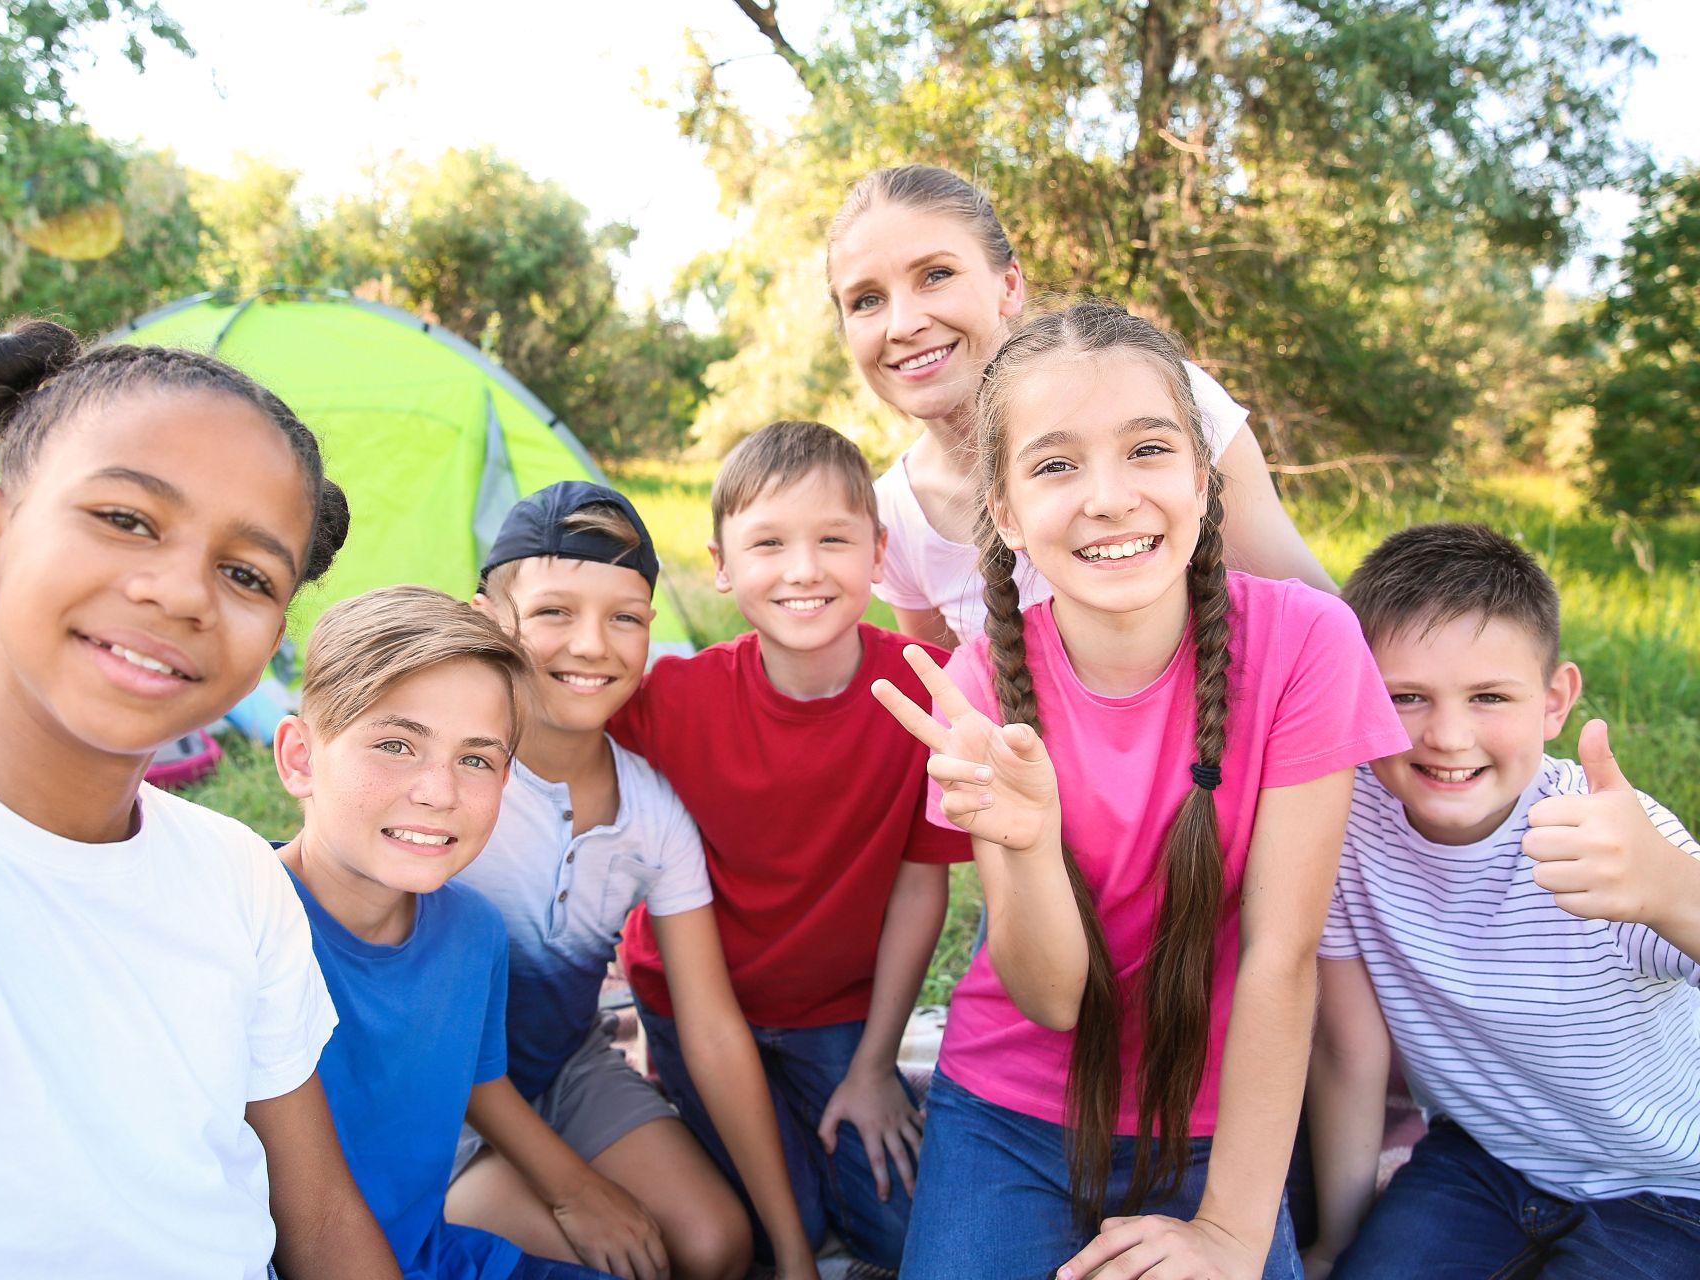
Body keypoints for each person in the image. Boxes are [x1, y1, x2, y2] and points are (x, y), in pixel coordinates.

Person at [0, 319, 398, 1277]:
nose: (184, 592)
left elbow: (314, 1208)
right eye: (126, 519)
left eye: (246, 573)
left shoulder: (237, 872)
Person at [871, 300, 1407, 1279]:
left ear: (1205, 479)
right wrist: (1029, 842)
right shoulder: (987, 688)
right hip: (1012, 1109)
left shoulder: (1306, 644)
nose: (1109, 498)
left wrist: (1235, 1234)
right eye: (1056, 464)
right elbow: (1047, 997)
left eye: (1147, 449)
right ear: (1006, 511)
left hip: (1217, 1120)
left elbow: (1283, 958)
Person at [608, 422, 970, 1271]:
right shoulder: (675, 697)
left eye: (833, 540)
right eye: (768, 543)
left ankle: (885, 1092)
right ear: (722, 565)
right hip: (694, 1005)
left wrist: (876, 1066)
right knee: (789, 1231)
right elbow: (554, 722)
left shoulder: (922, 692)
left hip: (840, 1012)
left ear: (879, 554)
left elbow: (922, 890)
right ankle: (671, 1098)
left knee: (898, 1233)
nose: (803, 570)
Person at [1303, 523, 1700, 1279]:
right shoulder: (1349, 824)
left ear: (1555, 702)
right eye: (1406, 697)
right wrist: (1335, 1243)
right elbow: (1348, 1051)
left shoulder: (1610, 835)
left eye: (1489, 696)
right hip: (1484, 1159)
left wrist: (1672, 889)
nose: (1448, 736)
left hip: (1672, 1188)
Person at [450, 482, 819, 1280]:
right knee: (596, 1265)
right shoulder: (449, 789)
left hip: (561, 1067)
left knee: (716, 1246)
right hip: (433, 1091)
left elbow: (712, 1028)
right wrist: (573, 1187)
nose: (592, 645)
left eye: (624, 618)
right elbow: (416, 1023)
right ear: (487, 619)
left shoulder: (652, 811)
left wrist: (792, 1255)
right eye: (553, 612)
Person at [826, 163, 1335, 650]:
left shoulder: (1161, 403)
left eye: (936, 275)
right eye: (866, 300)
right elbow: (952, 701)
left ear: (1008, 286)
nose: (902, 324)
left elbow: (1325, 623)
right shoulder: (896, 512)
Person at [271, 584, 615, 1280]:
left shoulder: (474, 935)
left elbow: (475, 1083)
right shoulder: (242, 926)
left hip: (432, 1257)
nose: (439, 791)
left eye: (477, 758)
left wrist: (576, 1190)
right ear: (301, 758)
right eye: (396, 744)